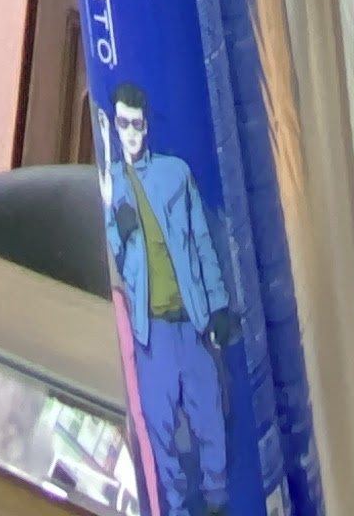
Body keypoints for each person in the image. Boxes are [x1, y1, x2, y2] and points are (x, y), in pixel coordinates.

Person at [100, 80, 238, 516]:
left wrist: (218, 306)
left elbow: (202, 241)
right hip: (151, 332)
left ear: (146, 126)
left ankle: (216, 502)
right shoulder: (111, 187)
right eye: (123, 124)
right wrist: (119, 234)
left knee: (209, 416)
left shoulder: (175, 174)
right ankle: (177, 509)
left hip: (190, 319)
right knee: (159, 429)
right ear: (116, 126)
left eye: (137, 125)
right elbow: (114, 262)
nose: (131, 133)